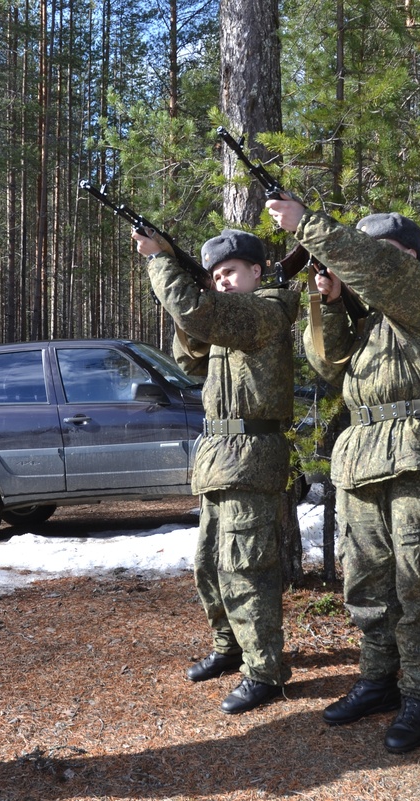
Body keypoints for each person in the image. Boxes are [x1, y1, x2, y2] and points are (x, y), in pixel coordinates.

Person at [266, 199, 420, 754]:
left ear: (410, 260)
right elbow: (327, 364)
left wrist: (310, 226)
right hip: (363, 451)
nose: (369, 263)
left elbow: (380, 271)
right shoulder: (367, 322)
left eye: (385, 254)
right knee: (366, 581)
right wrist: (330, 302)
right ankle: (379, 679)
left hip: (417, 448)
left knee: (415, 579)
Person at [132, 227, 298, 715]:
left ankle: (264, 669)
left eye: (230, 272)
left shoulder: (265, 310)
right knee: (208, 563)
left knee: (246, 566)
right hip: (219, 454)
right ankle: (230, 646)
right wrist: (193, 311)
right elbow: (191, 359)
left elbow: (195, 312)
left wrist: (160, 261)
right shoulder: (228, 318)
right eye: (216, 276)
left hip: (251, 454)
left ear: (257, 272)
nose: (222, 281)